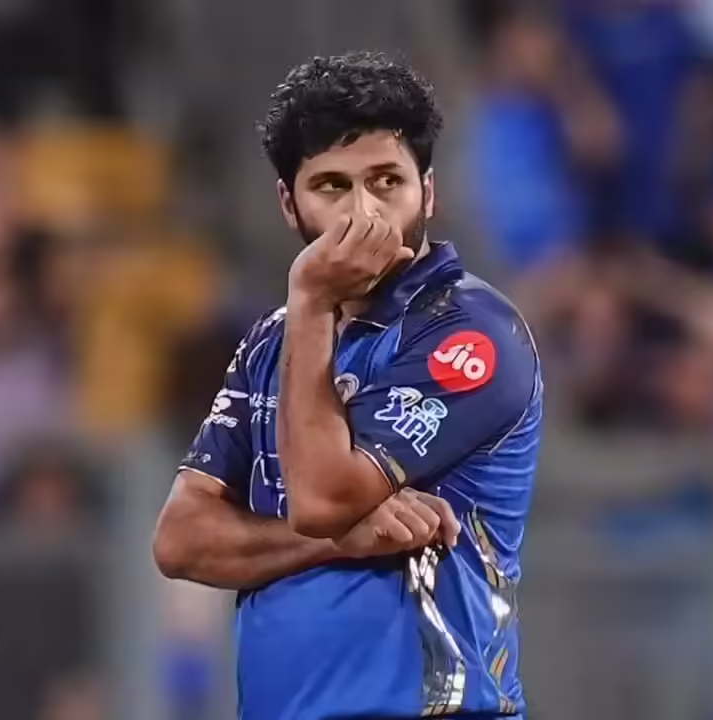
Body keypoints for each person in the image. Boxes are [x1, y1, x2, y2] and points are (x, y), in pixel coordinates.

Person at [153, 51, 544, 719]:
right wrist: (336, 541)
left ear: (428, 191)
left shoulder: (472, 333)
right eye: (331, 186)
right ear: (289, 203)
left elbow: (324, 498)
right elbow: (182, 539)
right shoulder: (271, 342)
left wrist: (310, 299)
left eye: (386, 181)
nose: (364, 213)